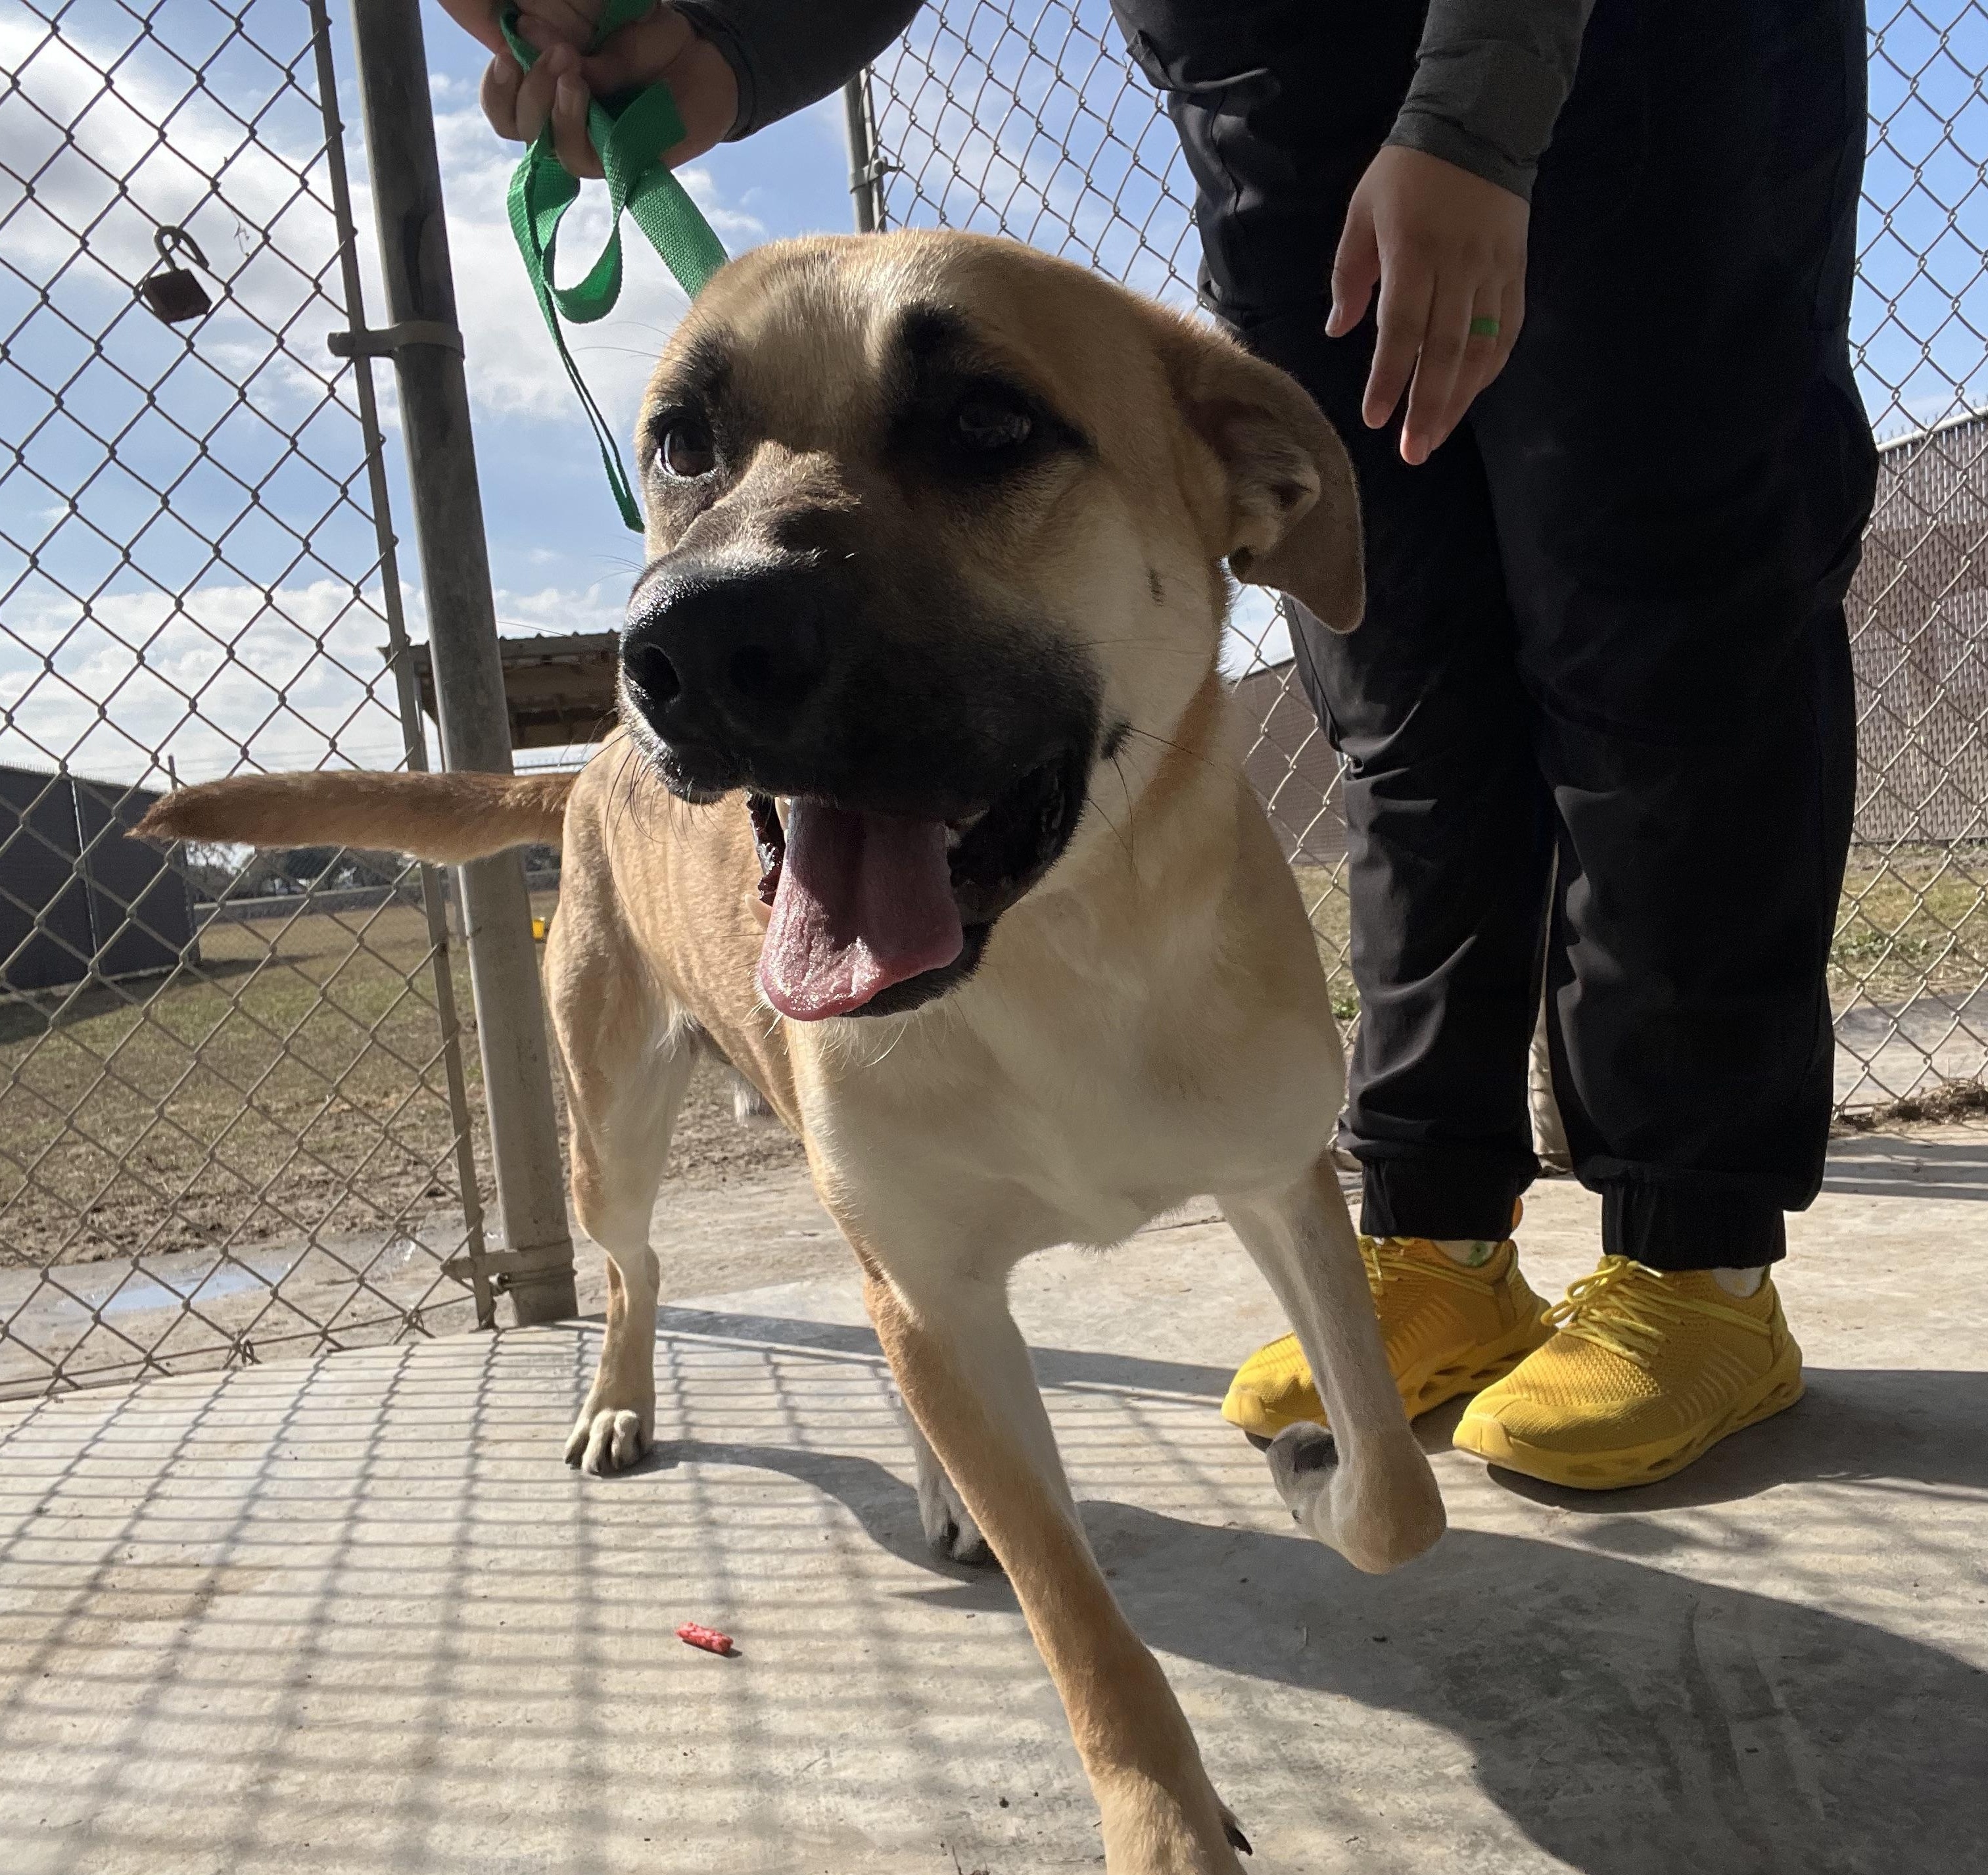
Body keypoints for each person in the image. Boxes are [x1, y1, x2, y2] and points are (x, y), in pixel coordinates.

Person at [442, 0, 1878, 1490]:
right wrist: (729, 47)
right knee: (1402, 691)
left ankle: (1694, 1259)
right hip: (1285, 77)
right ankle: (1438, 1227)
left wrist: (1474, 114)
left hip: (1624, 67)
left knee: (1659, 650)